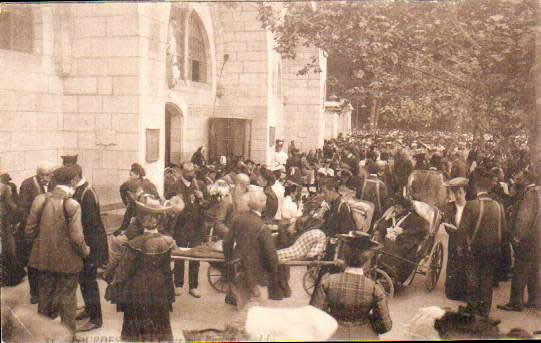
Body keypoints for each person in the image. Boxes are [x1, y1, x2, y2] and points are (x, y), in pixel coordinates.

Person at [24, 166, 90, 335]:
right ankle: (68, 338)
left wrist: (41, 248)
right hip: (67, 262)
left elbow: (29, 231)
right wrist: (85, 251)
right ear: (72, 181)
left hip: (42, 259)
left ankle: (42, 336)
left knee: (44, 299)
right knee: (68, 301)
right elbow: (77, 238)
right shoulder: (72, 204)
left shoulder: (40, 200)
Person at [106, 197, 179, 342]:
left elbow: (123, 271)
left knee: (137, 326)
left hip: (138, 288)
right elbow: (167, 271)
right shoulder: (167, 242)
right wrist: (169, 292)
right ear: (159, 221)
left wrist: (112, 283)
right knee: (158, 322)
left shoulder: (135, 244)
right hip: (159, 287)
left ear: (142, 221)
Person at [311, 232, 392, 340]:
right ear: (367, 260)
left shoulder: (327, 282)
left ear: (344, 256)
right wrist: (366, 324)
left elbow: (314, 317)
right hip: (365, 336)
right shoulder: (374, 288)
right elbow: (385, 326)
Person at [459, 167, 507, 317]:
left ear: (477, 186)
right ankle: (485, 309)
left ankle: (472, 307)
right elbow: (504, 230)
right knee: (487, 278)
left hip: (474, 248)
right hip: (493, 249)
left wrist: (460, 246)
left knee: (472, 277)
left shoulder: (472, 204)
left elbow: (462, 229)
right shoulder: (499, 206)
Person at [223, 190, 281, 311]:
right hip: (258, 274)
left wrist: (229, 261)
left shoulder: (237, 219)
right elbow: (271, 255)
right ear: (263, 204)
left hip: (240, 270)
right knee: (259, 312)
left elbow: (227, 243)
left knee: (243, 307)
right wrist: (274, 274)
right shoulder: (262, 226)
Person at [71, 164, 109, 332]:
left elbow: (91, 226)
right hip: (86, 245)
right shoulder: (82, 190)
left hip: (91, 246)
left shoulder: (86, 193)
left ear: (75, 178)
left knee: (90, 282)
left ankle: (96, 318)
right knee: (83, 280)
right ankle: (88, 309)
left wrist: (89, 250)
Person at [498, 169, 540, 312]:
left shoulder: (529, 194)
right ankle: (534, 300)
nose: (517, 178)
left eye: (520, 177)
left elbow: (524, 218)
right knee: (534, 268)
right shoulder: (537, 192)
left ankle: (516, 302)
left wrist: (516, 236)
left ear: (527, 180)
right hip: (536, 239)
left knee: (520, 269)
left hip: (527, 239)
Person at [166, 162, 209, 298]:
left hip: (196, 225)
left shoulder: (200, 185)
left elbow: (207, 205)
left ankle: (193, 286)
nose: (192, 175)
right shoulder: (175, 185)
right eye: (189, 173)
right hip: (181, 226)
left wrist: (202, 198)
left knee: (195, 255)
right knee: (180, 255)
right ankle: (178, 284)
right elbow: (168, 203)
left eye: (193, 172)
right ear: (183, 172)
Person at [18, 161, 55, 304]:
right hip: (33, 230)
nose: (47, 178)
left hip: (48, 230)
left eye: (49, 175)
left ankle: (47, 292)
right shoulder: (27, 184)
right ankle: (35, 293)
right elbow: (23, 209)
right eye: (44, 175)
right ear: (38, 174)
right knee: (33, 262)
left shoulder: (52, 183)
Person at [373, 196, 431, 285]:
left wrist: (404, 231)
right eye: (395, 207)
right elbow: (381, 227)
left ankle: (393, 273)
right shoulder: (392, 216)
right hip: (390, 241)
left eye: (398, 207)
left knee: (394, 247)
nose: (396, 209)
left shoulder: (414, 217)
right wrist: (386, 219)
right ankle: (380, 270)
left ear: (404, 209)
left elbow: (424, 227)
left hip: (407, 241)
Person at [442, 177, 469, 301]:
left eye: (460, 192)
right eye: (455, 192)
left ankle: (464, 291)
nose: (457, 196)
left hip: (467, 240)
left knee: (465, 264)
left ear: (465, 193)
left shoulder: (470, 207)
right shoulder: (449, 207)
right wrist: (453, 229)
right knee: (453, 263)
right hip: (454, 238)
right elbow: (447, 222)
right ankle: (452, 291)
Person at [117, 163, 161, 233]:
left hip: (147, 210)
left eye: (131, 175)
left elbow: (158, 198)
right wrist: (127, 203)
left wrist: (149, 199)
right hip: (135, 209)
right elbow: (122, 190)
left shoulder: (148, 184)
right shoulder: (127, 184)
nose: (129, 177)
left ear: (137, 176)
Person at [1, 174, 26, 287]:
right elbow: (11, 205)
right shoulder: (5, 188)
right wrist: (20, 215)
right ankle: (12, 277)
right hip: (3, 222)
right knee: (8, 248)